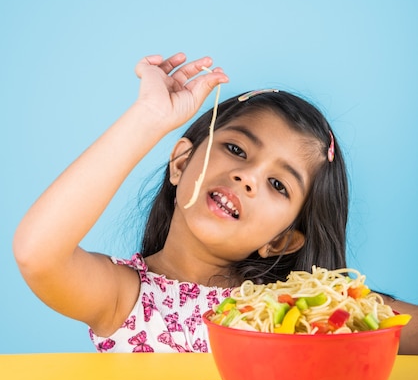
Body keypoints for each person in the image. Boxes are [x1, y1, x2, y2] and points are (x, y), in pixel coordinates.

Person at [13, 53, 418, 354]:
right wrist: (150, 117)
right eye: (237, 149)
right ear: (182, 162)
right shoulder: (124, 298)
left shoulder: (299, 311)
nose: (247, 177)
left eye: (278, 183)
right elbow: (38, 254)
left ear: (281, 242)